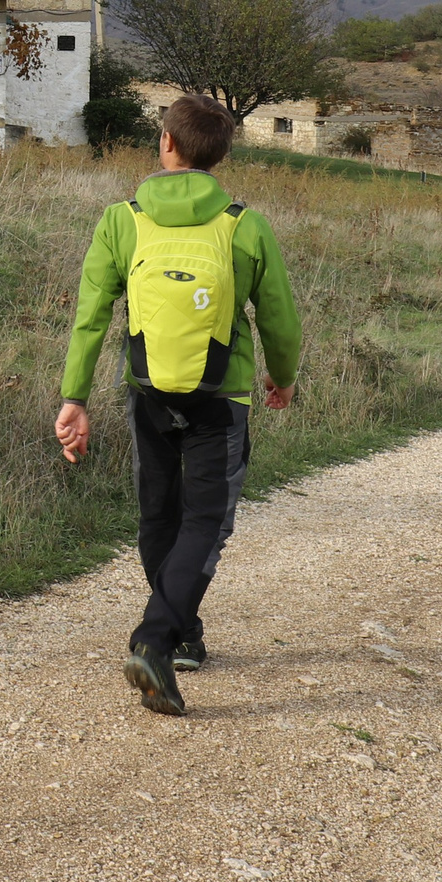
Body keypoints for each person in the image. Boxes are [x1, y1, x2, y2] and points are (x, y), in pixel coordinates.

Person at [54, 93, 302, 717]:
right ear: (219, 156)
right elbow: (277, 315)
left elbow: (90, 318)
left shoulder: (122, 220)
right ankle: (158, 639)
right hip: (222, 395)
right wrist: (284, 375)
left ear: (166, 142)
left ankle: (179, 633)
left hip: (148, 390)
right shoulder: (245, 224)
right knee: (206, 521)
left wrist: (74, 397)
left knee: (158, 514)